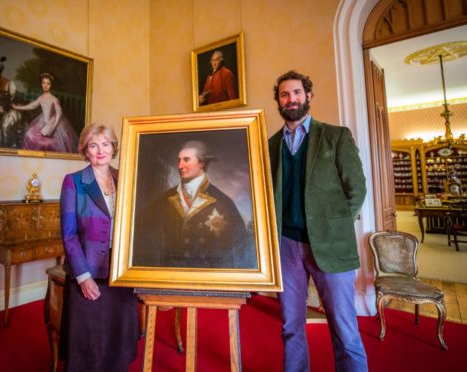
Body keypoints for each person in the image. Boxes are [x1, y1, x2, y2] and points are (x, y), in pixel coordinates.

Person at [268, 70, 368, 372]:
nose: (291, 99)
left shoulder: (336, 136)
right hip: (286, 246)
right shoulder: (271, 145)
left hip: (329, 245)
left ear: (308, 96)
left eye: (297, 92)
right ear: (279, 101)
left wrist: (336, 225)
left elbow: (357, 188)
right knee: (290, 325)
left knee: (344, 328)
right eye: (285, 94)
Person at [59, 124, 138, 371]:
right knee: (87, 345)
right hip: (88, 271)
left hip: (121, 273)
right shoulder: (73, 182)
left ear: (114, 148)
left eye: (105, 144)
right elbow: (69, 235)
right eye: (93, 145)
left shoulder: (126, 178)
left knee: (119, 339)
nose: (100, 150)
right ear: (85, 150)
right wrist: (83, 277)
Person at [133, 140, 251, 268]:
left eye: (186, 160)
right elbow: (143, 241)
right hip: (169, 279)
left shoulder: (224, 204)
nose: (180, 165)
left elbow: (238, 251)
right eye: (179, 160)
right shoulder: (163, 200)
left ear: (201, 163)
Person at [12, 72, 78, 152]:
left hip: (53, 123)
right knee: (28, 134)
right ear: (41, 84)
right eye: (43, 83)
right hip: (42, 122)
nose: (45, 86)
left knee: (51, 142)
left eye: (48, 84)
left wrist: (53, 126)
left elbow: (59, 113)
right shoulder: (41, 98)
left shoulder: (54, 99)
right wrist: (19, 107)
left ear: (51, 85)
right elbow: (32, 105)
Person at [0, 56, 24, 147]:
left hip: (14, 112)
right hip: (7, 113)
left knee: (6, 129)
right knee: (2, 132)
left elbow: (11, 100)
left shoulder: (9, 83)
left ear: (0, 71)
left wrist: (1, 99)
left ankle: (11, 151)